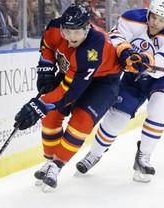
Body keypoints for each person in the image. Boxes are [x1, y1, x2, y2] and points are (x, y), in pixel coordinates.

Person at [76, 0, 164, 183]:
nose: (155, 23)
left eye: (161, 20)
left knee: (159, 107)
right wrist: (125, 52)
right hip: (134, 77)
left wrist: (145, 60)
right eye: (153, 17)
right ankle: (94, 154)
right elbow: (115, 37)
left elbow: (162, 64)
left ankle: (143, 156)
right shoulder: (132, 18)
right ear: (148, 12)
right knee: (116, 117)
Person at [14, 4, 121, 190]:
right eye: (67, 32)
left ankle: (57, 165)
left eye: (77, 32)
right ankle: (49, 161)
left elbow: (69, 92)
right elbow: (48, 46)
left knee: (81, 121)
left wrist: (38, 105)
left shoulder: (93, 48)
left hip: (101, 82)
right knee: (50, 116)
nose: (71, 38)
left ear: (86, 29)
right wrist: (46, 68)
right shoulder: (55, 27)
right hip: (71, 73)